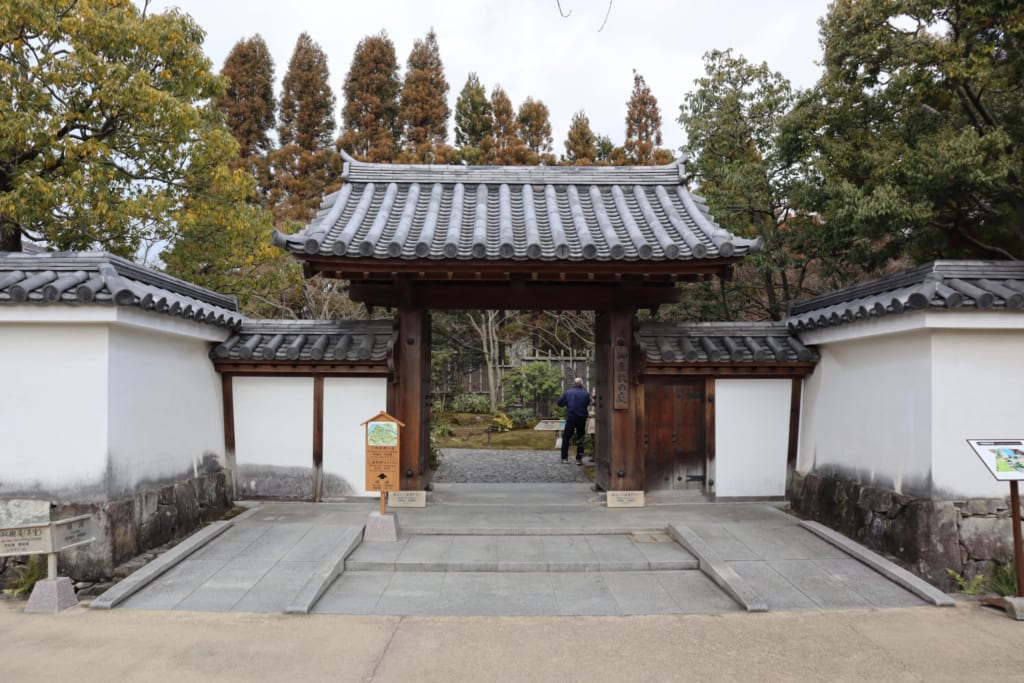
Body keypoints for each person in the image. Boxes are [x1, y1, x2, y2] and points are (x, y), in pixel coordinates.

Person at [556, 377, 591, 465]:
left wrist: (567, 404)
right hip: (582, 418)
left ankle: (564, 458)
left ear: (574, 383)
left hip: (571, 417)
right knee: (580, 438)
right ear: (582, 383)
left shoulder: (568, 392)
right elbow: (587, 403)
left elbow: (559, 403)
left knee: (566, 437)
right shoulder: (586, 393)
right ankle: (578, 459)